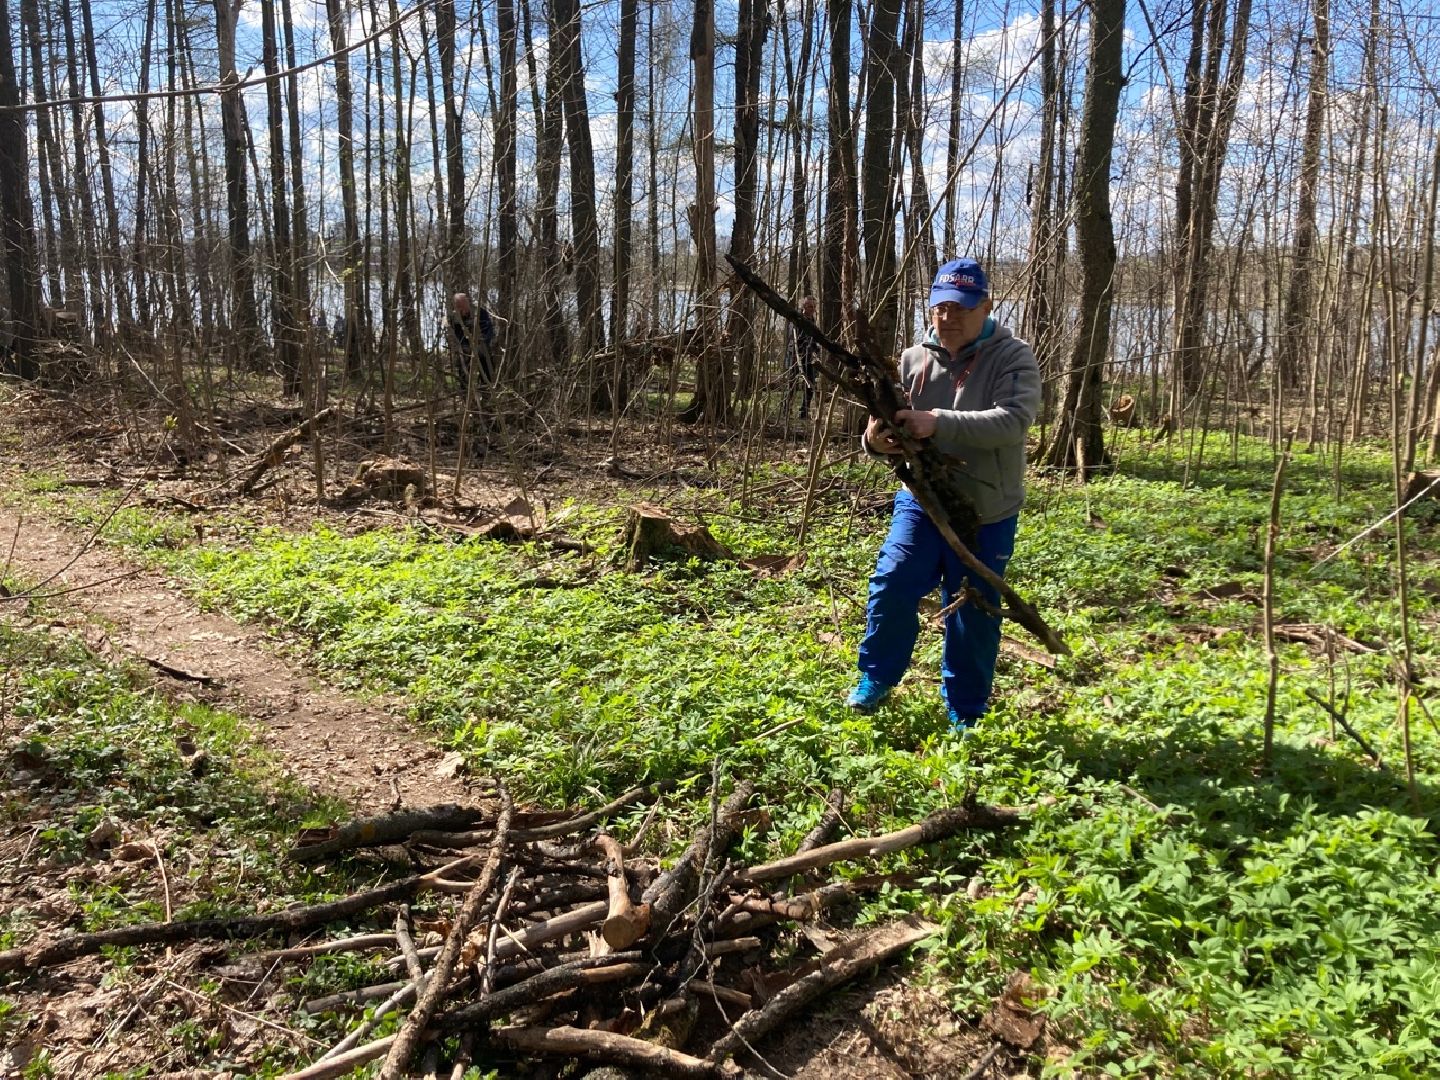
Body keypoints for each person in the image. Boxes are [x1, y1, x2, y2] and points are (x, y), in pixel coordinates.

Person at [846, 257, 1041, 733]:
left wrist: (938, 421)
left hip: (986, 507)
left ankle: (966, 709)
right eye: (940, 308)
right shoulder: (914, 359)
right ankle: (876, 678)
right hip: (923, 500)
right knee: (892, 583)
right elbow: (887, 425)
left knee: (971, 604)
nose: (948, 317)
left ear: (986, 307)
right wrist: (875, 440)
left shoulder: (1013, 357)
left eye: (961, 307)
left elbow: (1015, 420)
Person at [449, 291, 496, 393]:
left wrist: (480, 341)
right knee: (463, 370)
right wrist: (464, 345)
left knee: (487, 368)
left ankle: (488, 392)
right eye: (460, 306)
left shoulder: (480, 312)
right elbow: (454, 334)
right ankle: (466, 393)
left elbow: (488, 329)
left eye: (464, 304)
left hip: (481, 345)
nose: (463, 308)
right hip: (464, 348)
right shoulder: (454, 317)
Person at [783, 296, 820, 420]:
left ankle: (804, 412)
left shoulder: (813, 320)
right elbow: (793, 338)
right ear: (804, 307)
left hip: (809, 357)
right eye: (810, 306)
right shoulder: (797, 319)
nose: (812, 309)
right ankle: (786, 410)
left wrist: (816, 352)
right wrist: (794, 354)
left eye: (814, 307)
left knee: (810, 385)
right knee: (791, 384)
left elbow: (814, 339)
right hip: (795, 355)